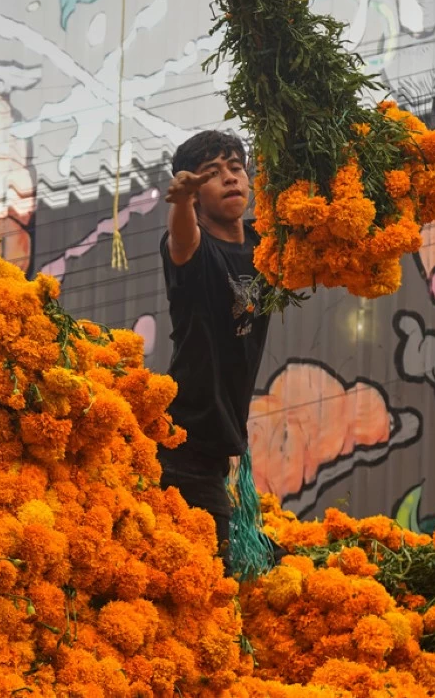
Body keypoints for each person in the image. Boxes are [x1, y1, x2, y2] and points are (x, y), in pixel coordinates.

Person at [158, 129, 270, 571]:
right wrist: (180, 202)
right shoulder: (194, 252)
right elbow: (182, 240)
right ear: (197, 196)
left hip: (217, 447)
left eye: (236, 168)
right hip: (182, 445)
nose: (229, 179)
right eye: (212, 173)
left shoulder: (266, 245)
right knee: (209, 576)